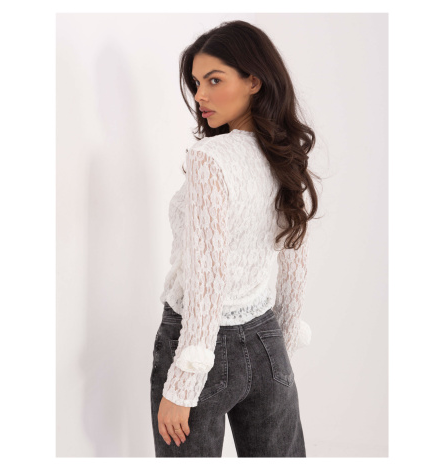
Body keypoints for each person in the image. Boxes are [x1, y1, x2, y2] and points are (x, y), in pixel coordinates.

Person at [150, 19, 320, 457]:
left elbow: (207, 275)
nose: (200, 96)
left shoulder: (210, 157)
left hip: (197, 346)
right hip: (267, 339)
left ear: (254, 81)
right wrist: (280, 348)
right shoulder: (284, 154)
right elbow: (294, 258)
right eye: (196, 83)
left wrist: (183, 382)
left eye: (214, 80)